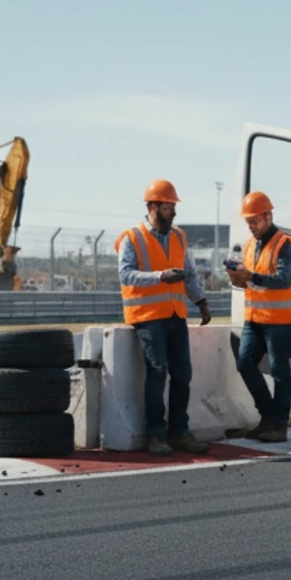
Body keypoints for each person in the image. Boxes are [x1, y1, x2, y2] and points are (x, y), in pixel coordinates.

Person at [117, 179, 212, 456]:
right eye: (169, 206)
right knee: (157, 373)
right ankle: (155, 434)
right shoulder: (131, 238)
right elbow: (125, 274)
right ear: (153, 206)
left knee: (183, 374)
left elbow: (190, 275)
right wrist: (159, 277)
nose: (174, 212)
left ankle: (179, 432)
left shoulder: (179, 237)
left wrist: (201, 301)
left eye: (174, 206)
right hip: (147, 317)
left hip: (175, 315)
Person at [225, 190, 291, 443]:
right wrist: (237, 279)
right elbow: (249, 281)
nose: (251, 226)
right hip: (255, 318)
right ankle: (268, 416)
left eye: (254, 221)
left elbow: (282, 279)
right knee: (244, 362)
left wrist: (251, 277)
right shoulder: (249, 245)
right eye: (248, 222)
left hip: (279, 320)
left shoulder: (285, 245)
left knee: (280, 372)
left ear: (268, 216)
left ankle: (279, 426)